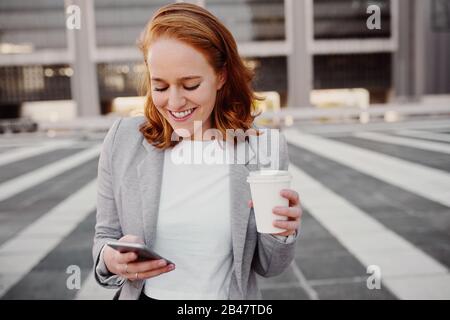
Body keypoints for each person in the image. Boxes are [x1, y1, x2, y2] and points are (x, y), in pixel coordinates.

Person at [92, 2, 302, 300]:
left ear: (221, 76)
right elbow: (104, 238)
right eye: (160, 87)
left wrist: (283, 233)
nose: (175, 103)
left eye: (190, 85)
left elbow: (269, 266)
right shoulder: (122, 140)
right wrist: (111, 260)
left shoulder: (263, 147)